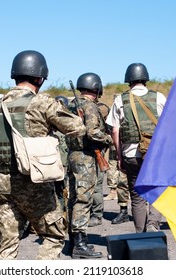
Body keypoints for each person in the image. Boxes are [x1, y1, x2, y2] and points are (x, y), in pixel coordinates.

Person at [0, 50, 86, 260]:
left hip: (3, 183)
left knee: (7, 244)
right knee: (53, 235)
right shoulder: (41, 102)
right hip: (34, 182)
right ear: (40, 77)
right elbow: (77, 127)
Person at [106, 63, 166, 233]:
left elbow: (115, 131)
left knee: (137, 195)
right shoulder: (159, 97)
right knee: (157, 189)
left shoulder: (120, 100)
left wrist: (119, 157)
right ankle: (153, 223)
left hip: (130, 154)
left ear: (128, 80)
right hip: (154, 154)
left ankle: (140, 233)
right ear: (145, 78)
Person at [67, 72, 112, 258]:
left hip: (73, 156)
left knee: (73, 197)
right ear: (97, 87)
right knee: (83, 198)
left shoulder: (70, 106)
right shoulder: (90, 107)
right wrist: (108, 139)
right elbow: (93, 133)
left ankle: (74, 240)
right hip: (85, 157)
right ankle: (80, 244)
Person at [88, 102, 110, 227]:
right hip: (86, 154)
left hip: (97, 152)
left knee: (97, 186)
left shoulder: (100, 108)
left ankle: (97, 214)